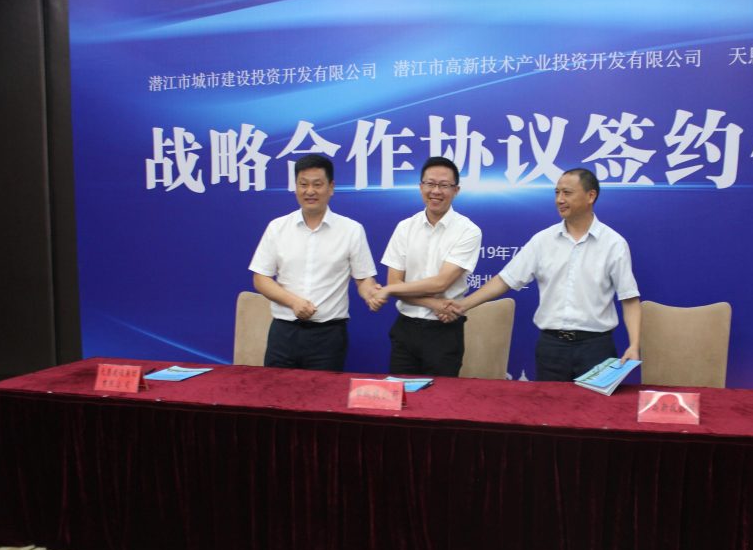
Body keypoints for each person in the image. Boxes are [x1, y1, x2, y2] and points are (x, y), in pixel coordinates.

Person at [447, 167, 640, 381]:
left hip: (596, 348)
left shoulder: (613, 244)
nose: (559, 200)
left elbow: (629, 299)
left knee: (595, 404)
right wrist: (463, 305)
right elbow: (505, 280)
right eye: (557, 193)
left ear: (590, 196)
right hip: (552, 348)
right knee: (550, 403)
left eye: (567, 193)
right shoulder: (543, 240)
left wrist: (634, 345)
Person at [249, 154, 381, 371]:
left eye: (317, 184)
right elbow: (260, 278)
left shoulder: (351, 230)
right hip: (284, 333)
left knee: (324, 392)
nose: (310, 191)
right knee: (275, 390)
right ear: (295, 187)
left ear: (331, 187)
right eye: (303, 184)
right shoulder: (277, 228)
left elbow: (364, 278)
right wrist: (293, 302)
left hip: (328, 336)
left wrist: (371, 294)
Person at [370, 157, 482, 376]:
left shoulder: (468, 231)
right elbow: (395, 282)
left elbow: (440, 283)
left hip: (444, 332)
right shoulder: (405, 228)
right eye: (430, 184)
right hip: (405, 329)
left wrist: (389, 290)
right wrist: (433, 304)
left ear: (456, 190)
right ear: (421, 187)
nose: (436, 191)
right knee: (400, 394)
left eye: (444, 185)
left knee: (441, 396)